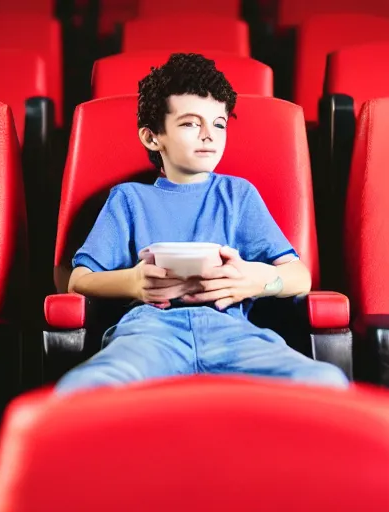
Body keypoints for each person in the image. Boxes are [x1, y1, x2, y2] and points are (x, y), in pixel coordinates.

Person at [55, 53, 349, 395]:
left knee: (326, 383)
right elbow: (78, 281)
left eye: (219, 123)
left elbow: (300, 276)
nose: (209, 135)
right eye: (191, 123)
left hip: (233, 331)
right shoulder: (129, 199)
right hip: (149, 331)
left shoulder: (238, 195)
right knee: (82, 390)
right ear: (153, 138)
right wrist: (135, 281)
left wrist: (256, 280)